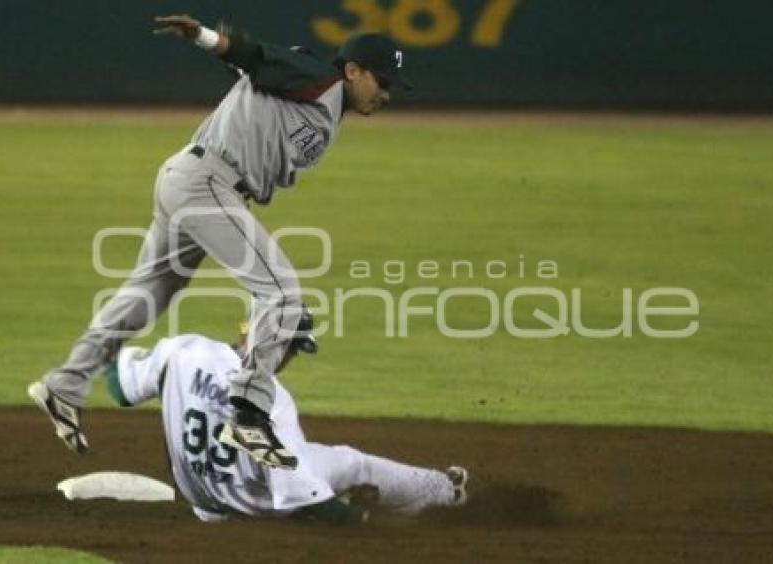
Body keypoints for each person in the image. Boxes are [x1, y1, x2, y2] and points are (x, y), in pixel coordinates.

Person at [28, 13, 412, 469]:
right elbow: (254, 56)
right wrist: (206, 37)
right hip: (207, 182)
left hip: (193, 181)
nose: (386, 93)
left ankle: (64, 384)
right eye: (381, 80)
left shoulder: (323, 97)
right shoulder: (317, 77)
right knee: (282, 291)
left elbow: (253, 71)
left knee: (149, 293)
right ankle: (247, 414)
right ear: (352, 69)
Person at [104, 319, 468, 523]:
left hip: (201, 501)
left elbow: (120, 389)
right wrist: (361, 521)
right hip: (251, 508)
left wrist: (108, 344)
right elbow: (304, 501)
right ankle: (443, 492)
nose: (289, 356)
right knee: (351, 463)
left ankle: (440, 488)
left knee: (306, 458)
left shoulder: (183, 351)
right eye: (290, 346)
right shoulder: (273, 400)